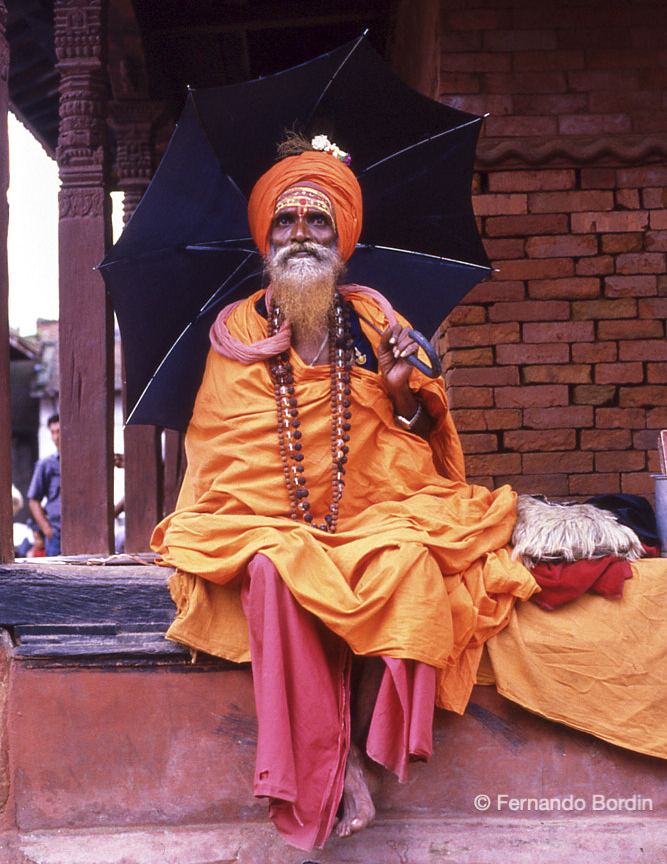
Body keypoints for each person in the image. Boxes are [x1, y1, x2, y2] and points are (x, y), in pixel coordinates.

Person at [151, 135, 537, 851]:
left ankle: (351, 758)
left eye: (317, 221)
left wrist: (402, 394)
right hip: (259, 519)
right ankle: (338, 768)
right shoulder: (236, 333)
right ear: (265, 239)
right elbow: (219, 451)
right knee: (273, 568)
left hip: (371, 513)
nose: (301, 234)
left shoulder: (374, 324)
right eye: (285, 222)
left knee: (410, 563)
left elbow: (422, 437)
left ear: (343, 239)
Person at [27, 413, 61, 557]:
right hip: (57, 536)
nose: (56, 437)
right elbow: (33, 501)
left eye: (59, 431)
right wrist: (48, 530)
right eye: (52, 432)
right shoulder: (46, 465)